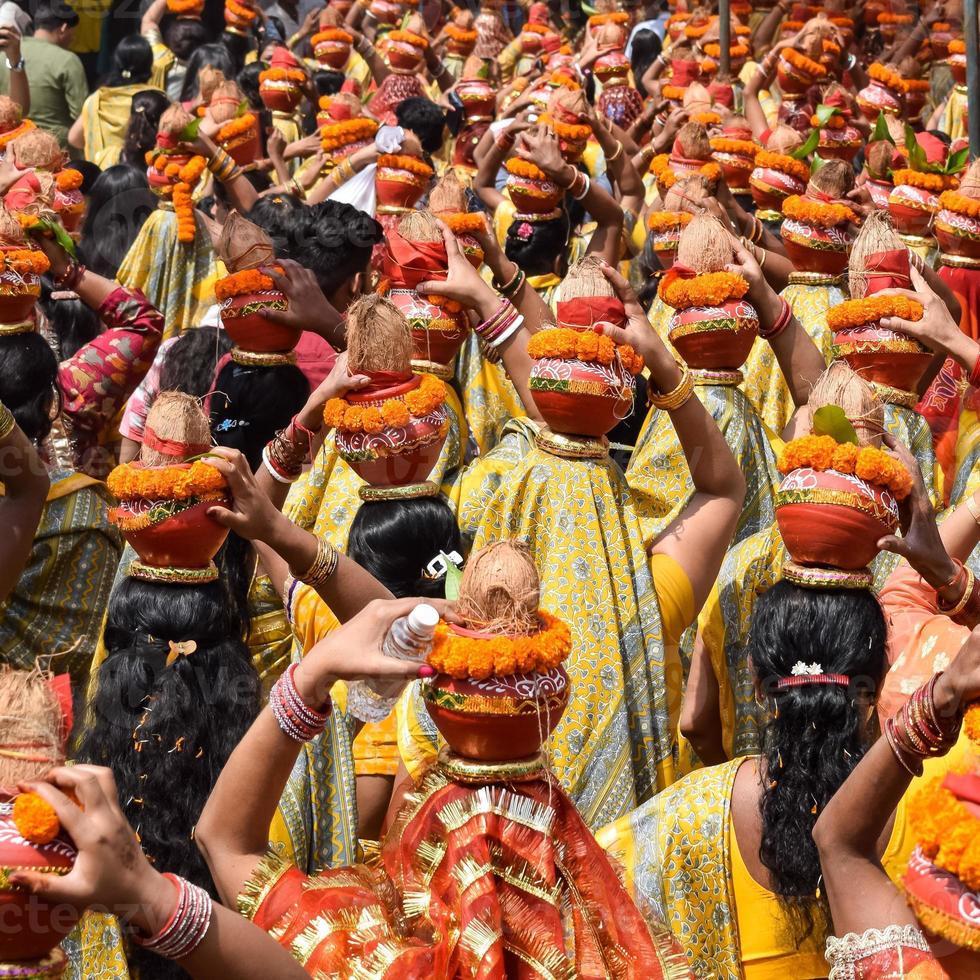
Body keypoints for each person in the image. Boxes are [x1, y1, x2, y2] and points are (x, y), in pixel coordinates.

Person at [0, 1, 87, 149]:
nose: (73, 39)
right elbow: (82, 113)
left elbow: (18, 109)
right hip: (56, 151)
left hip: (11, 146)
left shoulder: (6, 53)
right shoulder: (67, 60)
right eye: (73, 34)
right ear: (64, 28)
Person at [68, 36, 161, 168]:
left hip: (104, 178)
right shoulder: (156, 98)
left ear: (117, 62)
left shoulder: (98, 99)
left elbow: (74, 139)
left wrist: (105, 152)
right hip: (143, 177)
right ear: (149, 64)